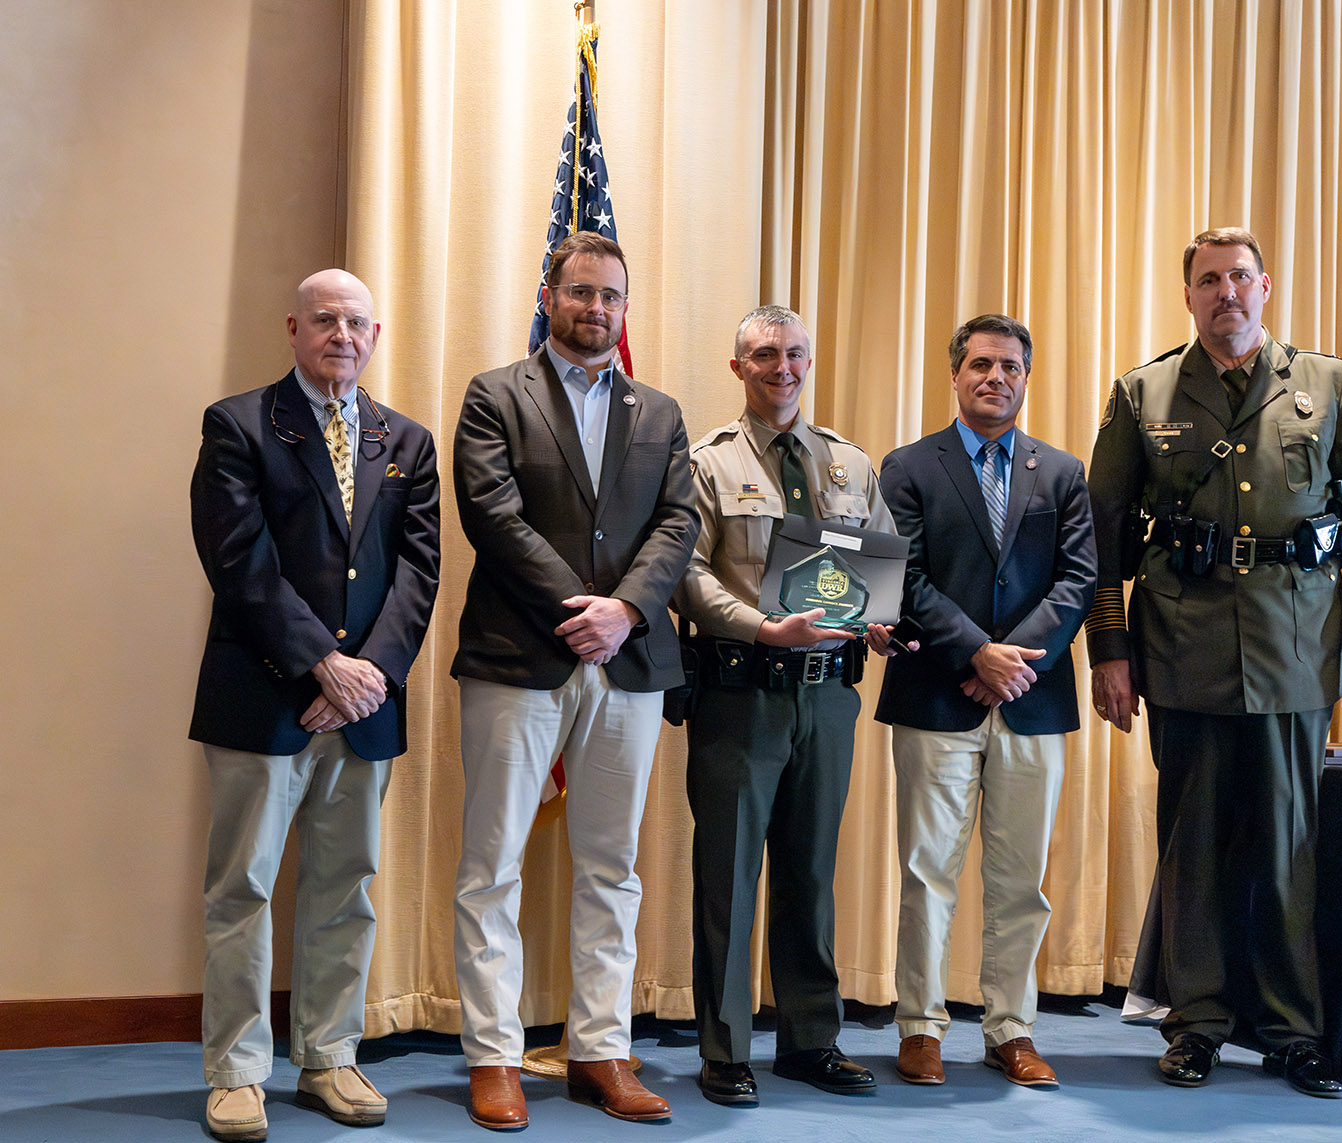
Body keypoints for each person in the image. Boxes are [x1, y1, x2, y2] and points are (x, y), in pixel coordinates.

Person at [1086, 227, 1342, 1097]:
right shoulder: (1144, 391)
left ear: (1267, 288)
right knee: (1193, 846)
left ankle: (1294, 1027)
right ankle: (1197, 1022)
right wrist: (1110, 652)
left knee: (1287, 842)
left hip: (1297, 648)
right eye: (1209, 280)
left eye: (1240, 278)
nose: (1226, 292)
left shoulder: (1329, 384)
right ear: (1188, 295)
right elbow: (1103, 539)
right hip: (1180, 649)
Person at [451, 232, 698, 1128]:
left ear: (626, 309)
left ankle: (601, 1048)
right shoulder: (493, 395)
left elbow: (679, 524)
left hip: (629, 663)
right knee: (492, 864)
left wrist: (625, 613)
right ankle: (494, 1055)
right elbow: (493, 514)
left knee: (612, 865)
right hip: (520, 656)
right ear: (549, 293)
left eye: (612, 296)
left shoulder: (661, 411)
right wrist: (581, 607)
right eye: (581, 291)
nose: (597, 308)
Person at [190, 269, 442, 1140]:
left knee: (347, 888)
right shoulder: (239, 425)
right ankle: (237, 1070)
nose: (342, 333)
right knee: (244, 888)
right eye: (325, 319)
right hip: (263, 694)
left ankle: (330, 1056)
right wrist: (320, 664)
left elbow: (419, 573)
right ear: (293, 326)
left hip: (364, 705)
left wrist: (365, 674)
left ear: (377, 335)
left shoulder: (406, 440)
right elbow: (237, 560)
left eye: (357, 322)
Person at [868, 314, 1097, 1089]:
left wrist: (1011, 664)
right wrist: (975, 653)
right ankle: (922, 1025)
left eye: (1009, 366)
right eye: (980, 365)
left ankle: (1011, 1028)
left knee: (1020, 878)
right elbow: (902, 576)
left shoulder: (1061, 474)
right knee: (927, 870)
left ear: (1027, 377)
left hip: (1032, 700)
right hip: (936, 694)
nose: (995, 376)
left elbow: (1078, 581)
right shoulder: (905, 467)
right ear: (955, 374)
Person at [673, 304, 894, 1107]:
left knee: (811, 872)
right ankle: (725, 1046)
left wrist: (878, 617)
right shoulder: (706, 462)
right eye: (765, 354)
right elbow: (686, 573)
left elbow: (879, 558)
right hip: (741, 693)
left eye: (795, 352)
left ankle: (810, 1038)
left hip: (829, 698)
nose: (783, 367)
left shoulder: (847, 463)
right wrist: (764, 625)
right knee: (728, 873)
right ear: (738, 367)